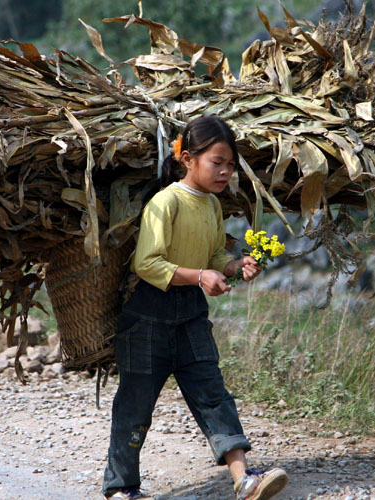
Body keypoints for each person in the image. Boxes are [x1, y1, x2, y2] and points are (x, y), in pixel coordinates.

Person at [102, 115, 288, 500]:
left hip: (190, 315)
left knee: (213, 394)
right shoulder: (166, 202)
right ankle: (121, 488)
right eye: (216, 162)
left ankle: (244, 480)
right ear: (188, 159)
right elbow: (147, 263)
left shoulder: (212, 206)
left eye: (230, 165)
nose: (224, 171)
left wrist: (233, 266)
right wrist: (200, 275)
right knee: (134, 407)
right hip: (148, 317)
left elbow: (215, 255)